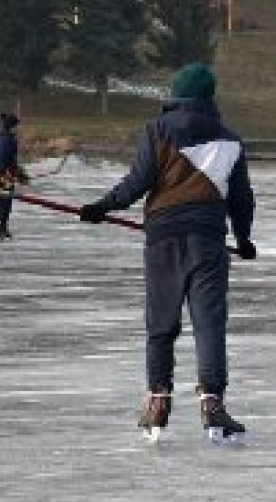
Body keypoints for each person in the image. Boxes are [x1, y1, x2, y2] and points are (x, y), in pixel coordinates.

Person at [78, 62, 257, 441]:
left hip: (164, 239)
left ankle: (158, 402)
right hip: (209, 241)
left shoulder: (159, 129)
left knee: (161, 324)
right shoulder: (231, 140)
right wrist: (243, 240)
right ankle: (213, 404)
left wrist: (102, 207)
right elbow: (242, 199)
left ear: (177, 93)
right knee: (209, 324)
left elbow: (138, 182)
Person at [0, 111, 25, 240]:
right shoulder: (7, 140)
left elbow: (11, 161)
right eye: (17, 126)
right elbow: (4, 159)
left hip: (4, 174)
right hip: (3, 176)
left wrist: (20, 174)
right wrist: (10, 174)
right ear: (12, 127)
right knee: (5, 201)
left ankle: (2, 227)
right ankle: (2, 228)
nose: (18, 129)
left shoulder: (3, 137)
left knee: (3, 201)